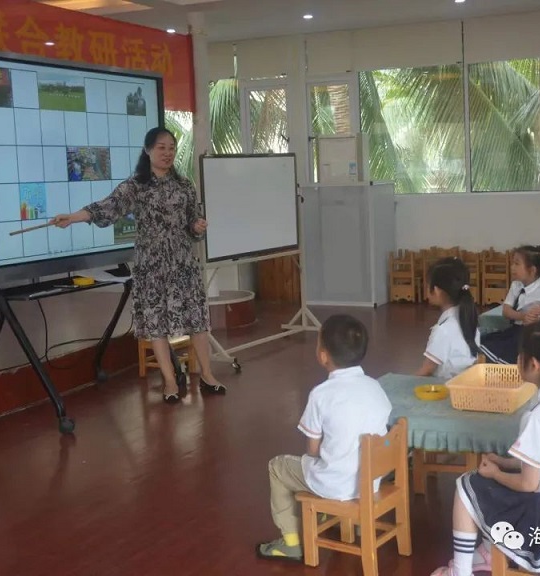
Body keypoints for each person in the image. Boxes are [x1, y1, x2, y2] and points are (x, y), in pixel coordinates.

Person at [51, 127, 226, 403]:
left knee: (197, 320)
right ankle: (169, 382)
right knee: (156, 323)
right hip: (152, 265)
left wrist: (198, 226)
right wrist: (73, 217)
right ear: (147, 151)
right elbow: (107, 207)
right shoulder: (135, 185)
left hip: (183, 262)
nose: (167, 153)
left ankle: (207, 375)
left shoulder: (184, 185)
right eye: (161, 147)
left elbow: (194, 224)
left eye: (171, 147)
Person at [430, 319, 540, 576]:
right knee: (488, 487)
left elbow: (529, 484)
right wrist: (505, 462)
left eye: (519, 355)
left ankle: (461, 571)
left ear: (533, 364)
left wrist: (495, 473)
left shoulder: (539, 417)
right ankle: (487, 553)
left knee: (468, 485)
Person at [257, 314, 392, 563]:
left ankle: (291, 542)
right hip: (370, 481)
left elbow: (313, 450)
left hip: (336, 483)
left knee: (277, 466)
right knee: (339, 457)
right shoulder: (375, 386)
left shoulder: (321, 395)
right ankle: (336, 518)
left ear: (323, 355)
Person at [479, 245, 540, 364]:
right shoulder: (516, 285)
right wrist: (522, 316)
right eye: (513, 263)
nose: (512, 267)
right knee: (483, 342)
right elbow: (506, 311)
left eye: (517, 264)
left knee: (505, 351)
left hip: (533, 336)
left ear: (532, 270)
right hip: (516, 330)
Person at [416, 257, 480, 379]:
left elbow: (427, 369)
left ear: (437, 291)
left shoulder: (443, 329)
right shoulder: (469, 317)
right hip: (467, 383)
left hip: (447, 388)